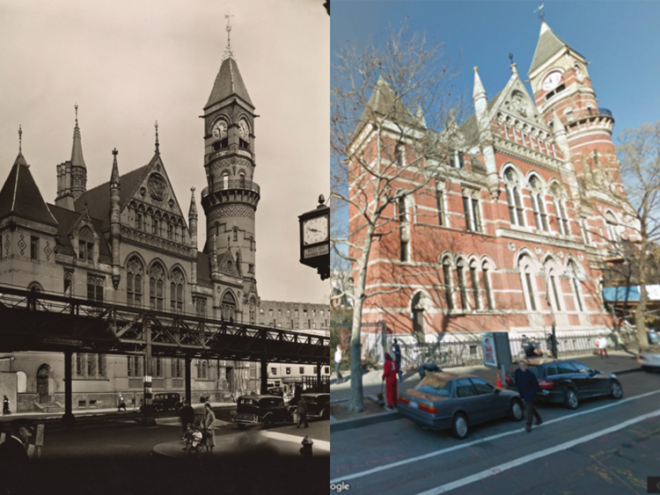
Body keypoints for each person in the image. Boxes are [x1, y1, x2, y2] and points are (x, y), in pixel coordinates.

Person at [514, 360, 543, 432]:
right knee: (530, 408)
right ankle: (538, 419)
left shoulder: (530, 374)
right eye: (520, 366)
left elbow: (536, 385)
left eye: (523, 366)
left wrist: (532, 392)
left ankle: (528, 424)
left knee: (528, 409)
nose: (522, 367)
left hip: (529, 393)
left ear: (526, 366)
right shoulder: (517, 372)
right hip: (522, 393)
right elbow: (516, 381)